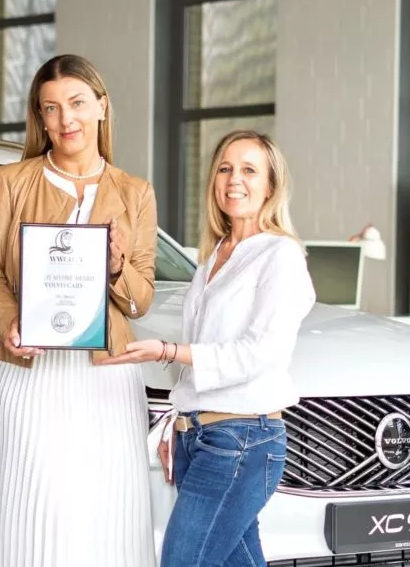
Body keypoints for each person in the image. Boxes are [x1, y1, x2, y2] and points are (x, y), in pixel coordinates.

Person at [0, 54, 157, 567]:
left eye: (77, 103)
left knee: (106, 514)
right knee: (37, 509)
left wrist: (116, 267)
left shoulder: (135, 192)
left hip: (106, 381)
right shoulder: (9, 181)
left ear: (102, 106)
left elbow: (140, 299)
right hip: (30, 374)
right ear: (40, 118)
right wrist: (9, 322)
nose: (66, 118)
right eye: (51, 108)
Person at [103, 130, 315, 566]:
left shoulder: (281, 255)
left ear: (271, 186)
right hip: (198, 438)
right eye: (225, 169)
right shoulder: (214, 257)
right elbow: (202, 357)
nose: (234, 179)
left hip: (242, 441)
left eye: (249, 170)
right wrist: (178, 422)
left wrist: (167, 351)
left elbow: (258, 353)